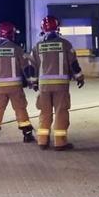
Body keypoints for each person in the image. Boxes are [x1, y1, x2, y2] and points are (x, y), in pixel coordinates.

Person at [30, 15, 85, 151]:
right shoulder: (65, 44)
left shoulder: (37, 46)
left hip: (44, 86)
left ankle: (42, 141)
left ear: (43, 28)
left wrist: (34, 83)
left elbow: (32, 66)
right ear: (57, 27)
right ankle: (60, 143)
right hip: (60, 85)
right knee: (61, 112)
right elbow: (73, 64)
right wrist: (79, 77)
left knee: (44, 112)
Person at [0, 21, 35, 145]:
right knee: (20, 109)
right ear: (11, 34)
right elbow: (26, 67)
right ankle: (27, 135)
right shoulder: (17, 49)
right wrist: (31, 81)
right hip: (15, 87)